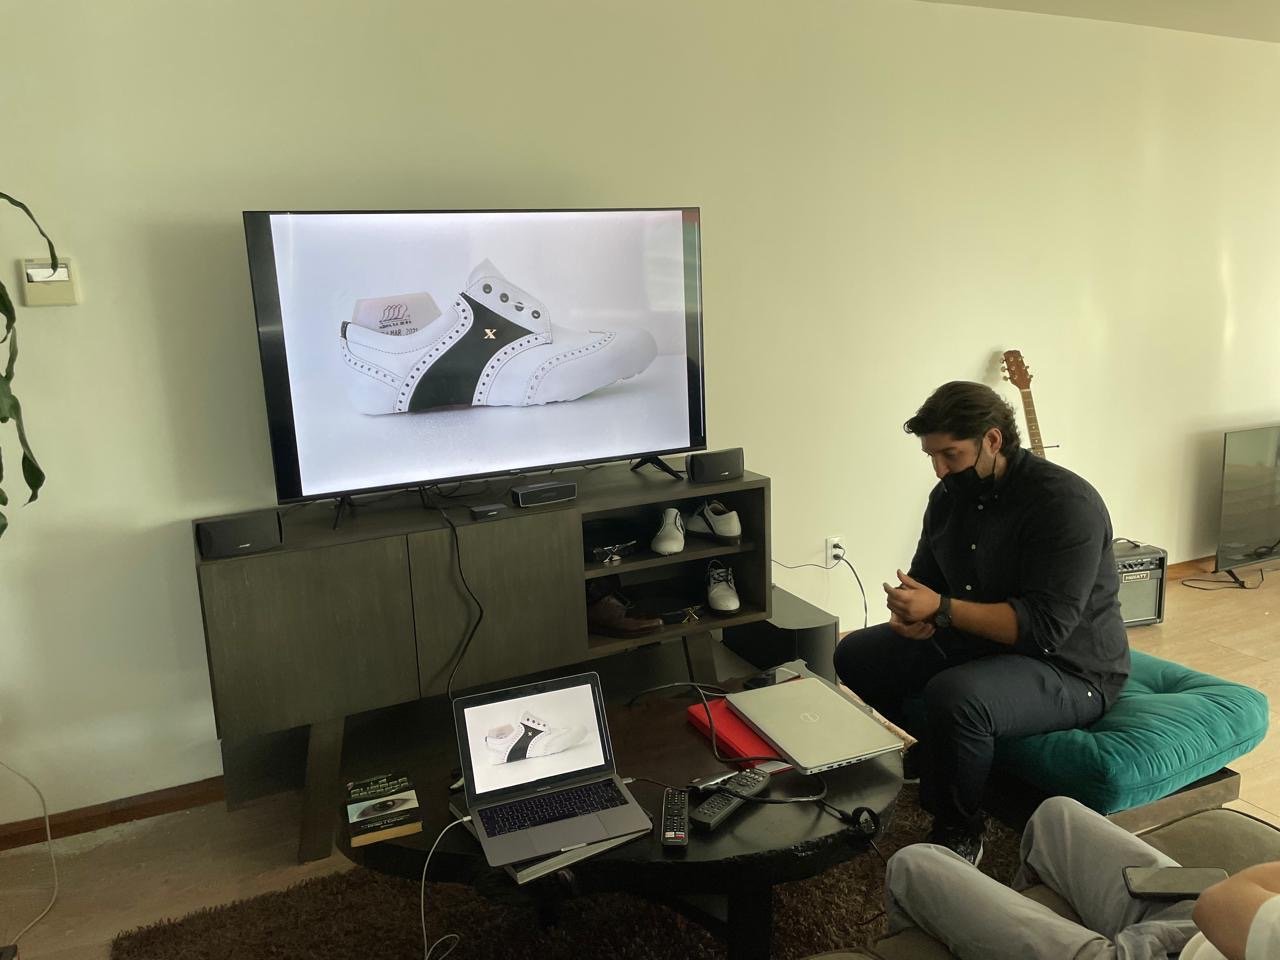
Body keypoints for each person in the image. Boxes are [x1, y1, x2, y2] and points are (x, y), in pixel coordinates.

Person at [834, 381, 1130, 863]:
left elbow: (1043, 629)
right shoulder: (948, 496)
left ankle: (960, 829)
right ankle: (931, 758)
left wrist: (943, 610)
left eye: (950, 454)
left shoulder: (1064, 505)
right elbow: (927, 581)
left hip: (1072, 668)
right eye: (931, 456)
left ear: (993, 440)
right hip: (980, 640)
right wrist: (908, 612)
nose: (940, 469)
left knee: (957, 695)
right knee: (856, 653)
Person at [882, 795, 1280, 960]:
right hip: (1198, 929)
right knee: (1056, 816)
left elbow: (1222, 903)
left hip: (1202, 925)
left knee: (915, 863)